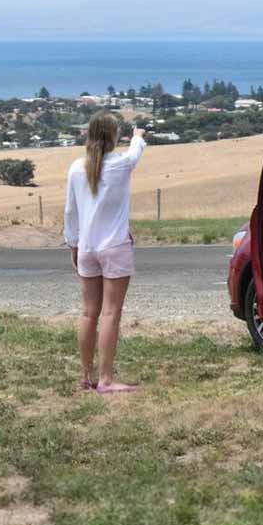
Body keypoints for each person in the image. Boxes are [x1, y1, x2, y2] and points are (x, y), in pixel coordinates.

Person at [63, 111, 145, 392]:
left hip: (86, 247)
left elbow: (70, 212)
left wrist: (72, 245)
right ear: (114, 136)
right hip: (115, 246)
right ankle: (107, 379)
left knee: (89, 313)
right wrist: (138, 137)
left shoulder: (76, 168)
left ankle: (86, 377)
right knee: (111, 313)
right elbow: (135, 153)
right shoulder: (120, 164)